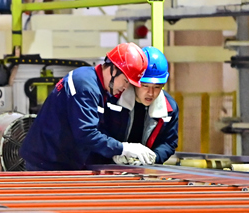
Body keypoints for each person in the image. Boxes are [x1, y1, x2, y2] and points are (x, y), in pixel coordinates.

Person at [20, 42, 155, 171]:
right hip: (46, 163)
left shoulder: (97, 85)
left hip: (60, 160)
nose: (125, 87)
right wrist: (122, 148)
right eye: (125, 81)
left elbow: (96, 128)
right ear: (114, 69)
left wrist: (114, 152)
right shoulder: (84, 86)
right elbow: (86, 133)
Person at [106, 46, 179, 166]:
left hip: (145, 172)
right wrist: (115, 153)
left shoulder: (169, 109)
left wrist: (154, 157)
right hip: (108, 168)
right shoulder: (113, 101)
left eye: (157, 87)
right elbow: (98, 133)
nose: (151, 93)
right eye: (145, 86)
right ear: (135, 82)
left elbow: (169, 142)